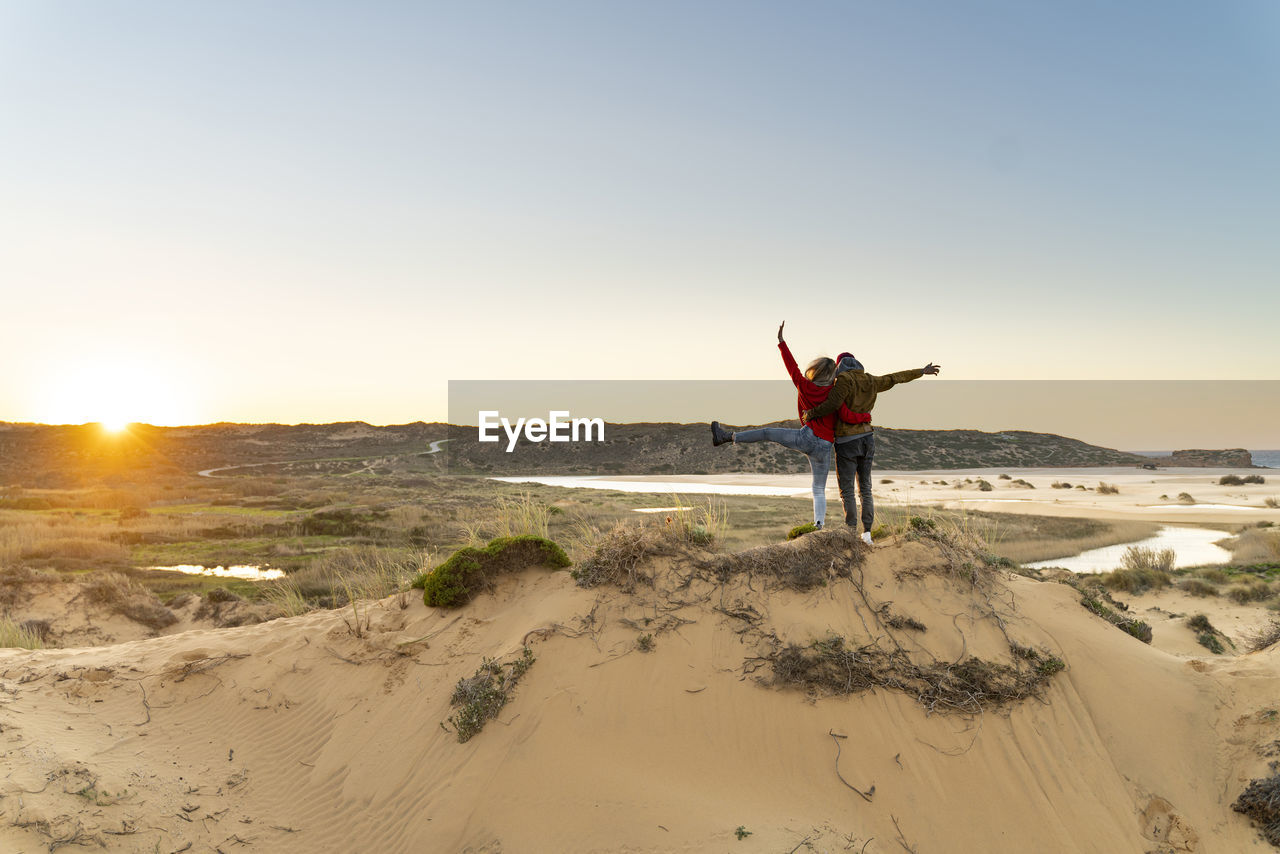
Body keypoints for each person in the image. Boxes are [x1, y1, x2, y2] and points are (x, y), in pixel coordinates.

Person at [710, 322, 855, 529]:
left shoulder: (804, 386)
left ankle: (728, 437)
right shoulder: (836, 392)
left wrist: (781, 342)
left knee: (768, 432)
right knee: (818, 489)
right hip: (825, 445)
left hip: (807, 437)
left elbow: (792, 367)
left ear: (815, 370)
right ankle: (819, 524)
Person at [802, 353, 941, 545]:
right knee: (865, 489)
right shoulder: (870, 380)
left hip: (846, 441)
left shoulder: (843, 380)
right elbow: (895, 378)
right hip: (867, 438)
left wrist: (811, 414)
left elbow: (833, 404)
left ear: (839, 365)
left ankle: (850, 532)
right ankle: (867, 533)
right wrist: (921, 371)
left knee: (847, 491)